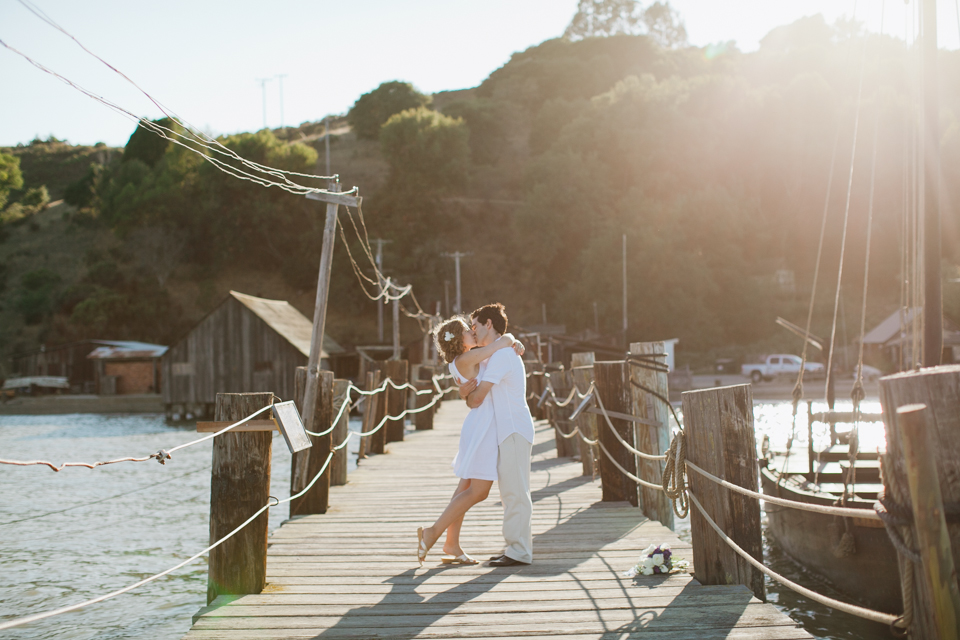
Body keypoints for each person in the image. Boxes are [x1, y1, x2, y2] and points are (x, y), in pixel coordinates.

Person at [416, 315, 524, 566]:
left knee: (464, 489)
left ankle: (451, 544)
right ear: (459, 339)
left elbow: (493, 356)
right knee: (478, 491)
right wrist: (511, 339)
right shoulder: (466, 358)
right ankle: (432, 532)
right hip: (483, 428)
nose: (472, 332)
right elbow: (499, 344)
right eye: (467, 330)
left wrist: (516, 344)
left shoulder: (463, 359)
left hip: (479, 423)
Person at [460, 303, 535, 567]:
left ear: (488, 324)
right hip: (508, 431)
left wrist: (467, 396)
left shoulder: (503, 356)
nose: (473, 331)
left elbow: (478, 398)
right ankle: (515, 547)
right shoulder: (498, 352)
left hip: (514, 429)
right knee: (510, 492)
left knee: (516, 492)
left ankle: (519, 551)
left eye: (476, 326)